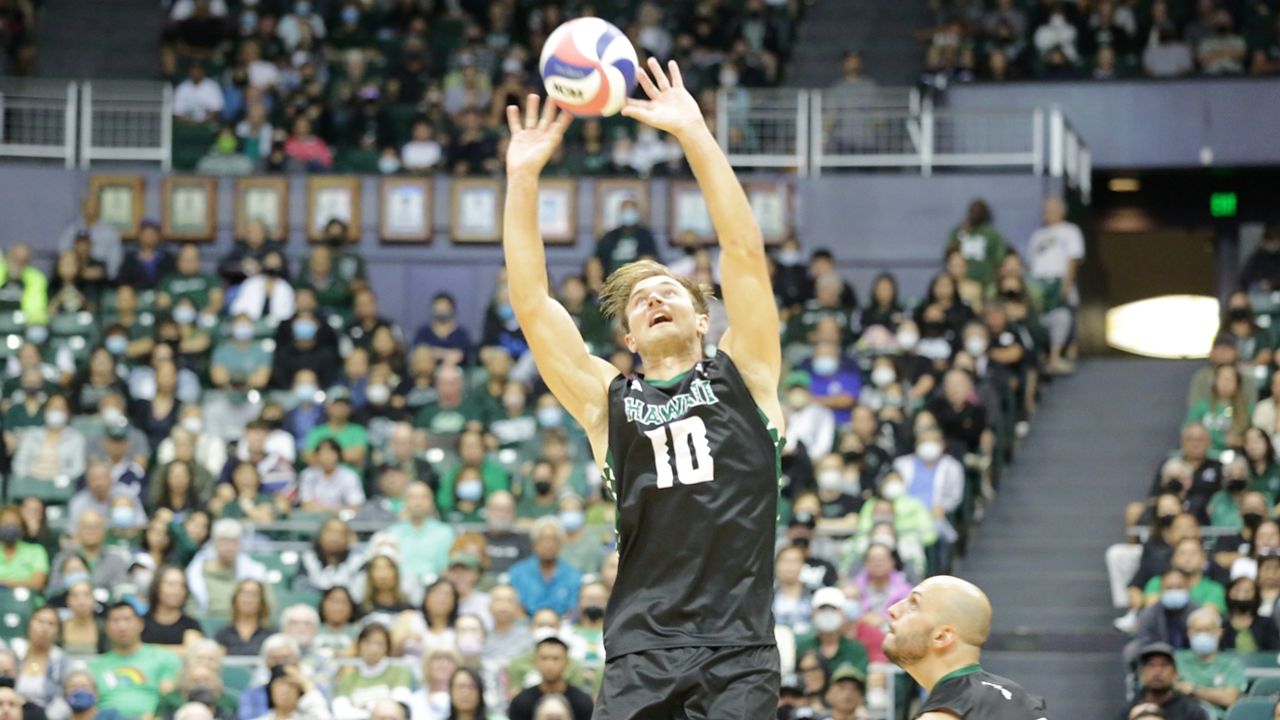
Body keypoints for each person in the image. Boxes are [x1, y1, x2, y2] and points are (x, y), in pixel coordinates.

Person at [502, 60, 785, 718]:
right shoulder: (608, 401)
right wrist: (523, 178)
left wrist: (694, 134)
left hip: (738, 649)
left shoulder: (747, 372)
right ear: (628, 337)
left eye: (670, 292)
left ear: (702, 318)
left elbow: (743, 250)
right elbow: (533, 304)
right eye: (639, 302)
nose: (655, 297)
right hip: (640, 651)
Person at [883, 575, 1046, 718]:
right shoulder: (1016, 696)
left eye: (914, 604)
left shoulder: (941, 716)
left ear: (941, 637)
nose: (893, 610)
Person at [89, 602, 182, 719]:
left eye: (127, 619)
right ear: (107, 629)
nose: (122, 626)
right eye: (115, 621)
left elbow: (167, 698)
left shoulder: (163, 657)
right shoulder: (95, 666)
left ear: (141, 624)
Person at [1174, 606, 1245, 718]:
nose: (1203, 635)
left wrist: (1193, 690)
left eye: (1208, 630)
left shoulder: (1231, 664)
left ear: (1220, 632)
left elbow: (1229, 698)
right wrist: (1215, 694)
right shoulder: (1175, 659)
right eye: (1197, 630)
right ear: (1189, 633)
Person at [507, 633, 594, 720]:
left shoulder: (582, 702)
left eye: (556, 658)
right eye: (544, 658)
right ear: (535, 661)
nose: (550, 665)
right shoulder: (521, 702)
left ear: (567, 662)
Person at [1120, 642, 1211, 720]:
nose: (1157, 671)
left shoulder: (1192, 712)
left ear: (1176, 673)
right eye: (1151, 665)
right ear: (1141, 673)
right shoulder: (1128, 711)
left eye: (1164, 665)